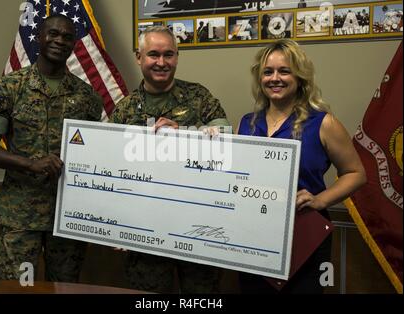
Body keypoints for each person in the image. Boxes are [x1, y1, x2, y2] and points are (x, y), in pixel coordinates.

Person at [0, 15, 103, 282]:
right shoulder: (7, 88)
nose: (59, 40)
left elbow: (96, 152)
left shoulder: (88, 97)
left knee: (64, 287)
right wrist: (30, 164)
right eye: (52, 33)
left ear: (74, 44)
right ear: (39, 37)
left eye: (67, 37)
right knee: (22, 287)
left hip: (67, 217)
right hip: (21, 218)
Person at [237, 39, 366, 293]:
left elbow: (357, 173)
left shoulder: (324, 123)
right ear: (259, 78)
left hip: (306, 238)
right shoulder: (247, 123)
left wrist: (320, 201)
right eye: (268, 72)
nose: (275, 78)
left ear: (300, 76)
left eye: (284, 71)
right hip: (254, 238)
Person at [109, 25, 230, 293]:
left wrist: (186, 135)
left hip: (198, 226)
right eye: (153, 54)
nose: (161, 62)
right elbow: (111, 170)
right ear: (138, 57)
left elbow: (227, 141)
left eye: (169, 54)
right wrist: (116, 222)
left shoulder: (199, 97)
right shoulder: (125, 110)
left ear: (177, 56)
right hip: (144, 230)